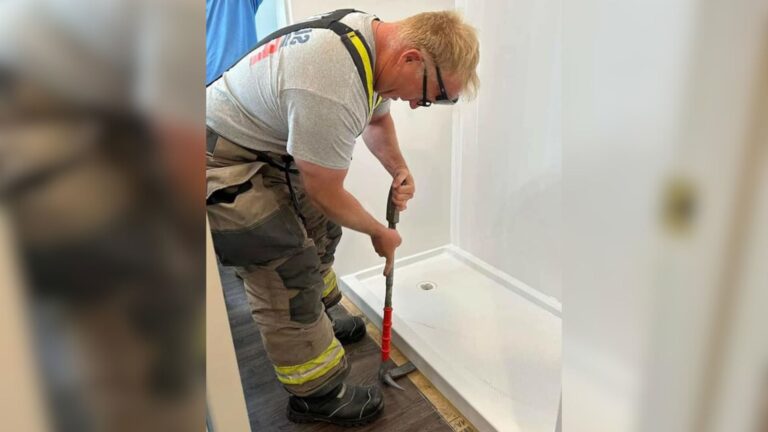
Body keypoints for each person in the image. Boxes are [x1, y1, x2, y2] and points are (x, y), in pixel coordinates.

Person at [206, 8, 479, 426]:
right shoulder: (329, 78)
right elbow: (325, 190)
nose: (420, 104)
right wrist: (377, 232)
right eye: (431, 94)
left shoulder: (372, 43)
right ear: (411, 58)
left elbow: (377, 113)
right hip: (218, 155)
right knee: (284, 265)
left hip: (268, 144)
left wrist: (398, 168)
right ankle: (315, 395)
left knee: (321, 227)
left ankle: (324, 311)